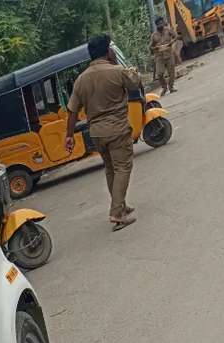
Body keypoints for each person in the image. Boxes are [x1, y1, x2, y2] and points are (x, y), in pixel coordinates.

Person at [64, 34, 142, 231]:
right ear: (108, 51)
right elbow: (135, 84)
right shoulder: (117, 71)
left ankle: (121, 206)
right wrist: (117, 63)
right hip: (117, 129)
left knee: (110, 168)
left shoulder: (81, 80)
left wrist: (69, 136)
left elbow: (72, 110)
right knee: (123, 167)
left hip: (96, 133)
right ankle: (117, 213)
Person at [151, 16, 178, 95]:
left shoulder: (168, 30)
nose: (161, 25)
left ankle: (171, 87)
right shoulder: (154, 35)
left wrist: (171, 42)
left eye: (161, 23)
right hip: (159, 56)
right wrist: (155, 47)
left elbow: (176, 36)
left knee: (171, 72)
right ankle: (164, 87)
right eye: (159, 24)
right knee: (159, 73)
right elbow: (150, 47)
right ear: (156, 25)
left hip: (169, 53)